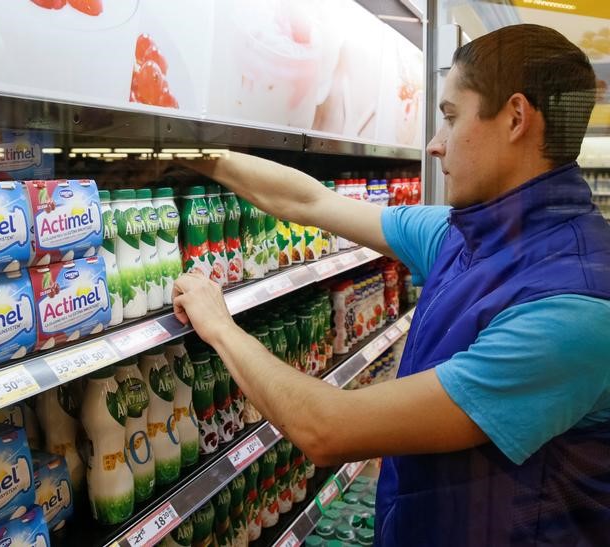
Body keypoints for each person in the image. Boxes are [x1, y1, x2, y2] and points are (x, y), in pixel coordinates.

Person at [171, 24, 610, 546]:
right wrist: (186, 154)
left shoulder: (573, 309)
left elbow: (327, 428)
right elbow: (310, 203)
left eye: (450, 118)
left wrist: (219, 325)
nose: (434, 145)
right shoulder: (462, 234)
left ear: (515, 118)